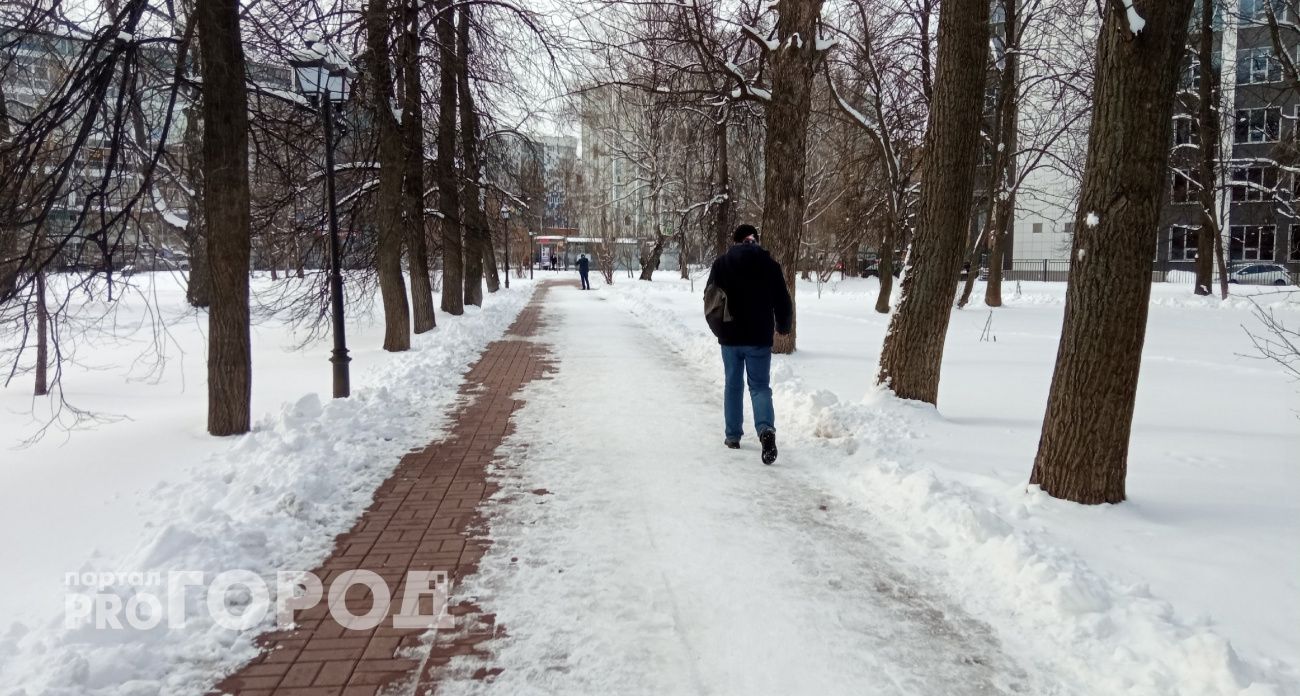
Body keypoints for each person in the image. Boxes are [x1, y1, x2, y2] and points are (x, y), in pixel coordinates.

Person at [704, 224, 793, 465]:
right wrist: (784, 326)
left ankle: (733, 436)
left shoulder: (721, 264)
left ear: (735, 241)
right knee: (760, 387)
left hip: (730, 337)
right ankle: (766, 431)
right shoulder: (770, 265)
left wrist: (718, 329)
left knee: (733, 385)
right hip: (759, 338)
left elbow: (710, 298)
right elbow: (783, 300)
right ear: (755, 240)